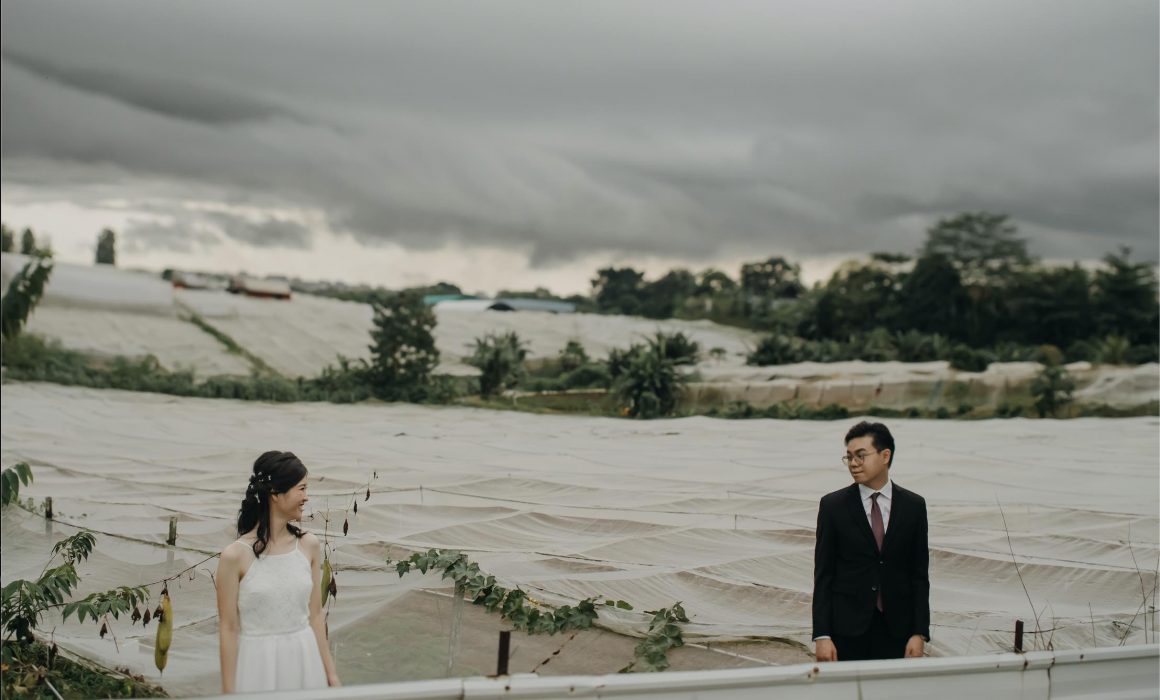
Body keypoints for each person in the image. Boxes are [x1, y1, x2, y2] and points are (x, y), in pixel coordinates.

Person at [216, 451, 340, 693]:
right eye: (301, 488)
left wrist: (331, 675)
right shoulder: (235, 556)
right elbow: (228, 628)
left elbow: (315, 615)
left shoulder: (309, 545)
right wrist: (228, 692)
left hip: (305, 658)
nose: (306, 497)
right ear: (275, 493)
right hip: (258, 664)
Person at [812, 421, 930, 661]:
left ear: (885, 455)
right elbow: (823, 575)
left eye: (861, 456)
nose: (854, 464)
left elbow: (919, 575)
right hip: (846, 630)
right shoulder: (833, 507)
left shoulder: (914, 506)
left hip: (898, 630)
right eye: (849, 457)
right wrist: (822, 635)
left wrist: (920, 632)